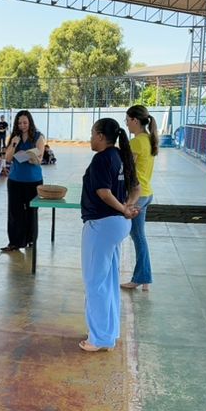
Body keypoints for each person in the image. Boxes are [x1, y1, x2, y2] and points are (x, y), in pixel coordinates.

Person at [80, 118, 140, 353]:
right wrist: (128, 206)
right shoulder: (120, 156)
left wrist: (124, 208)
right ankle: (108, 331)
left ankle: (99, 338)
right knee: (108, 280)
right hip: (117, 225)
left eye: (92, 134)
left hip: (102, 225)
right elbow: (137, 188)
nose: (91, 139)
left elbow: (104, 193)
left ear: (101, 136)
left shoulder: (102, 158)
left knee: (95, 282)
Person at [122, 105, 158, 293]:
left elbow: (127, 169)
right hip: (147, 192)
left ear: (135, 120)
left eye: (127, 120)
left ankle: (142, 277)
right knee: (139, 237)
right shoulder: (147, 139)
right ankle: (144, 278)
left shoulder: (136, 143)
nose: (126, 124)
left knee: (137, 237)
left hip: (138, 195)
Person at [1, 110, 46, 253]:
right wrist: (14, 144)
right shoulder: (14, 137)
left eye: (25, 122)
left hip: (33, 180)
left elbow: (39, 160)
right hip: (15, 180)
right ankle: (14, 242)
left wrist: (32, 157)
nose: (22, 125)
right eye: (19, 123)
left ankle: (31, 240)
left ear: (30, 122)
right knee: (15, 212)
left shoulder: (38, 137)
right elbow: (8, 158)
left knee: (31, 212)